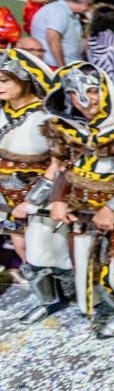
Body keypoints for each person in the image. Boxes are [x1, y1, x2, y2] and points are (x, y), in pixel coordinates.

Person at [25, 62, 114, 336]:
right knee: (88, 267)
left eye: (93, 90)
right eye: (75, 94)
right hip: (83, 214)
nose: (85, 100)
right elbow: (64, 167)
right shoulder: (69, 130)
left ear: (104, 90)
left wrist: (110, 208)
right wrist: (58, 198)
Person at [0, 48, 60, 287]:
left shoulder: (46, 116)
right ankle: (47, 300)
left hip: (40, 197)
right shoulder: (3, 112)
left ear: (24, 80)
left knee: (44, 253)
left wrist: (34, 200)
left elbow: (59, 163)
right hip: (8, 196)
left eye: (4, 80)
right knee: (22, 248)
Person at [31, 0, 93, 67]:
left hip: (71, 64)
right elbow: (53, 39)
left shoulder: (73, 14)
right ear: (84, 3)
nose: (88, 9)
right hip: (55, 66)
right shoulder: (58, 10)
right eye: (89, 5)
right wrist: (62, 68)